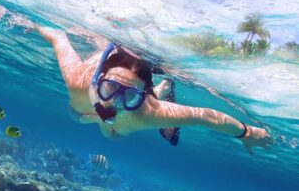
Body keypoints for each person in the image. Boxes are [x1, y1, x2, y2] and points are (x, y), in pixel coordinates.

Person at [35, 26, 272, 153]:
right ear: (99, 80)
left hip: (125, 118)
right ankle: (162, 87)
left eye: (129, 96)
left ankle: (163, 86)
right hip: (82, 112)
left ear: (144, 97)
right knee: (80, 117)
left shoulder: (149, 111)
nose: (114, 103)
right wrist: (33, 23)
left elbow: (205, 116)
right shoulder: (78, 80)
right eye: (109, 88)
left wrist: (247, 133)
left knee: (114, 134)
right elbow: (58, 37)